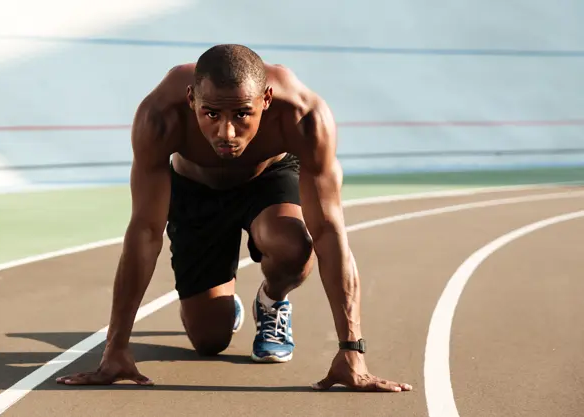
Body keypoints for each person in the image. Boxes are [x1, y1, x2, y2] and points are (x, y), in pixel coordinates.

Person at [55, 44, 412, 392]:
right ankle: (223, 304)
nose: (226, 133)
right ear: (192, 98)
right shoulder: (160, 115)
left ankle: (271, 301)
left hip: (267, 180)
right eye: (211, 114)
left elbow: (330, 232)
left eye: (242, 114)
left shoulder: (304, 116)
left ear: (267, 100)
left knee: (295, 245)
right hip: (195, 189)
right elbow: (146, 231)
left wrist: (352, 351)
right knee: (209, 340)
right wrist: (116, 347)